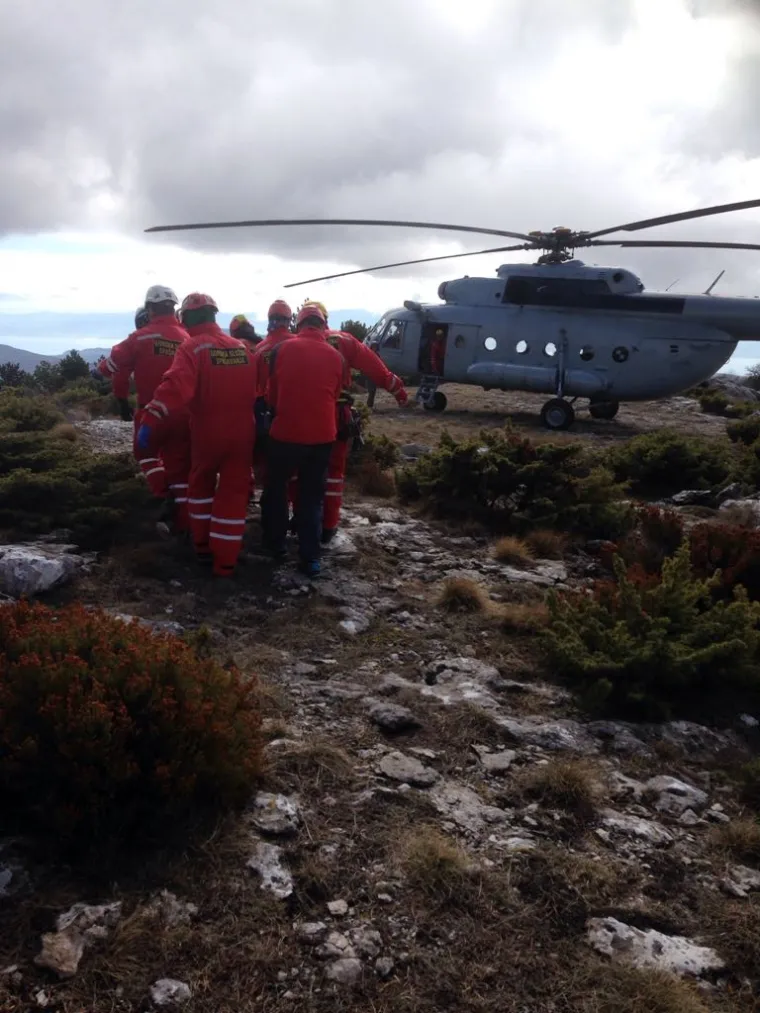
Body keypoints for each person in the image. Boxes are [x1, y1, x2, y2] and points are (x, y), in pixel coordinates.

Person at [139, 293, 258, 578]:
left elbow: (175, 387)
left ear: (188, 317)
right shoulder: (243, 348)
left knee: (201, 486)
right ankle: (225, 563)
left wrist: (150, 418)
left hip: (208, 433)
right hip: (244, 434)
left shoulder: (192, 348)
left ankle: (202, 548)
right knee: (233, 494)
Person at [298, 301, 408, 543]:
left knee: (299, 471)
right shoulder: (344, 340)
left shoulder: (294, 344)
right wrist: (398, 391)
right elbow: (375, 368)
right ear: (325, 319)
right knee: (334, 473)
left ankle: (299, 521)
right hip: (336, 417)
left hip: (298, 417)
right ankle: (328, 525)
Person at [260, 303, 343, 578]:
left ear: (299, 324)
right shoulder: (336, 356)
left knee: (276, 489)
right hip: (322, 437)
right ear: (322, 326)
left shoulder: (281, 349)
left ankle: (276, 546)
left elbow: (271, 394)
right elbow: (335, 393)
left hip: (285, 433)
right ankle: (310, 558)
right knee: (311, 497)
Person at [98, 286, 191, 532]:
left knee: (146, 454)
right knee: (179, 466)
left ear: (150, 309)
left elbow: (112, 367)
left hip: (151, 412)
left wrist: (103, 373)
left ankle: (163, 496)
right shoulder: (188, 338)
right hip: (185, 414)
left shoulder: (140, 338)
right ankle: (184, 524)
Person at [252, 300, 293, 487]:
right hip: (294, 408)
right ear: (289, 320)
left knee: (265, 462)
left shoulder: (259, 349)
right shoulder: (297, 344)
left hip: (264, 412)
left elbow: (252, 384)